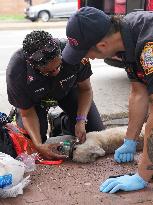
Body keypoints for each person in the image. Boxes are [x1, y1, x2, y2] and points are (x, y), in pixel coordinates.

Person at [62, 6, 153, 193]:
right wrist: (129, 140)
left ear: (102, 46)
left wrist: (142, 176)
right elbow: (139, 92)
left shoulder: (148, 47)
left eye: (87, 54)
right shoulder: (127, 38)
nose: (90, 59)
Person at [6, 30, 104, 160]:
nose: (56, 72)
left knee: (95, 131)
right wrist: (39, 145)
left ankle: (61, 122)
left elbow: (85, 89)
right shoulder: (16, 71)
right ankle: (46, 130)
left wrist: (80, 120)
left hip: (68, 90)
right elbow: (27, 113)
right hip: (35, 102)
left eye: (59, 66)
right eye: (49, 72)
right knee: (31, 145)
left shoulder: (73, 52)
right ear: (33, 65)